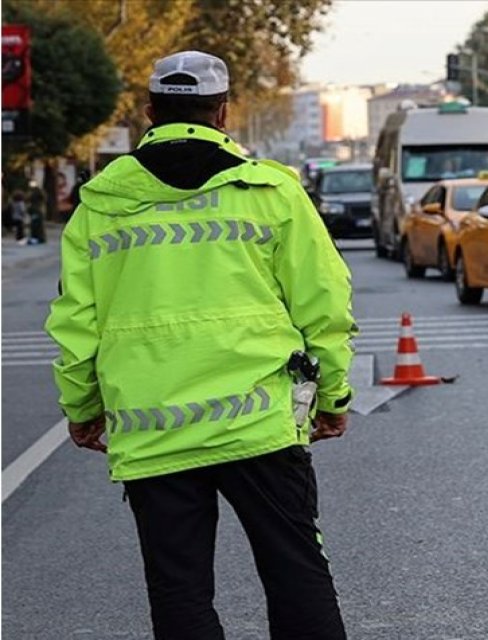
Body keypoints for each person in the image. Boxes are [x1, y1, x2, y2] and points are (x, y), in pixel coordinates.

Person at [45, 51, 355, 640]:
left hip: (154, 426)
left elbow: (76, 322)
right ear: (223, 112)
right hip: (260, 420)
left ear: (148, 111)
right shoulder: (269, 191)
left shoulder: (99, 204)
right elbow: (324, 301)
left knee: (179, 590)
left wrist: (82, 407)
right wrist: (333, 395)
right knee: (296, 571)